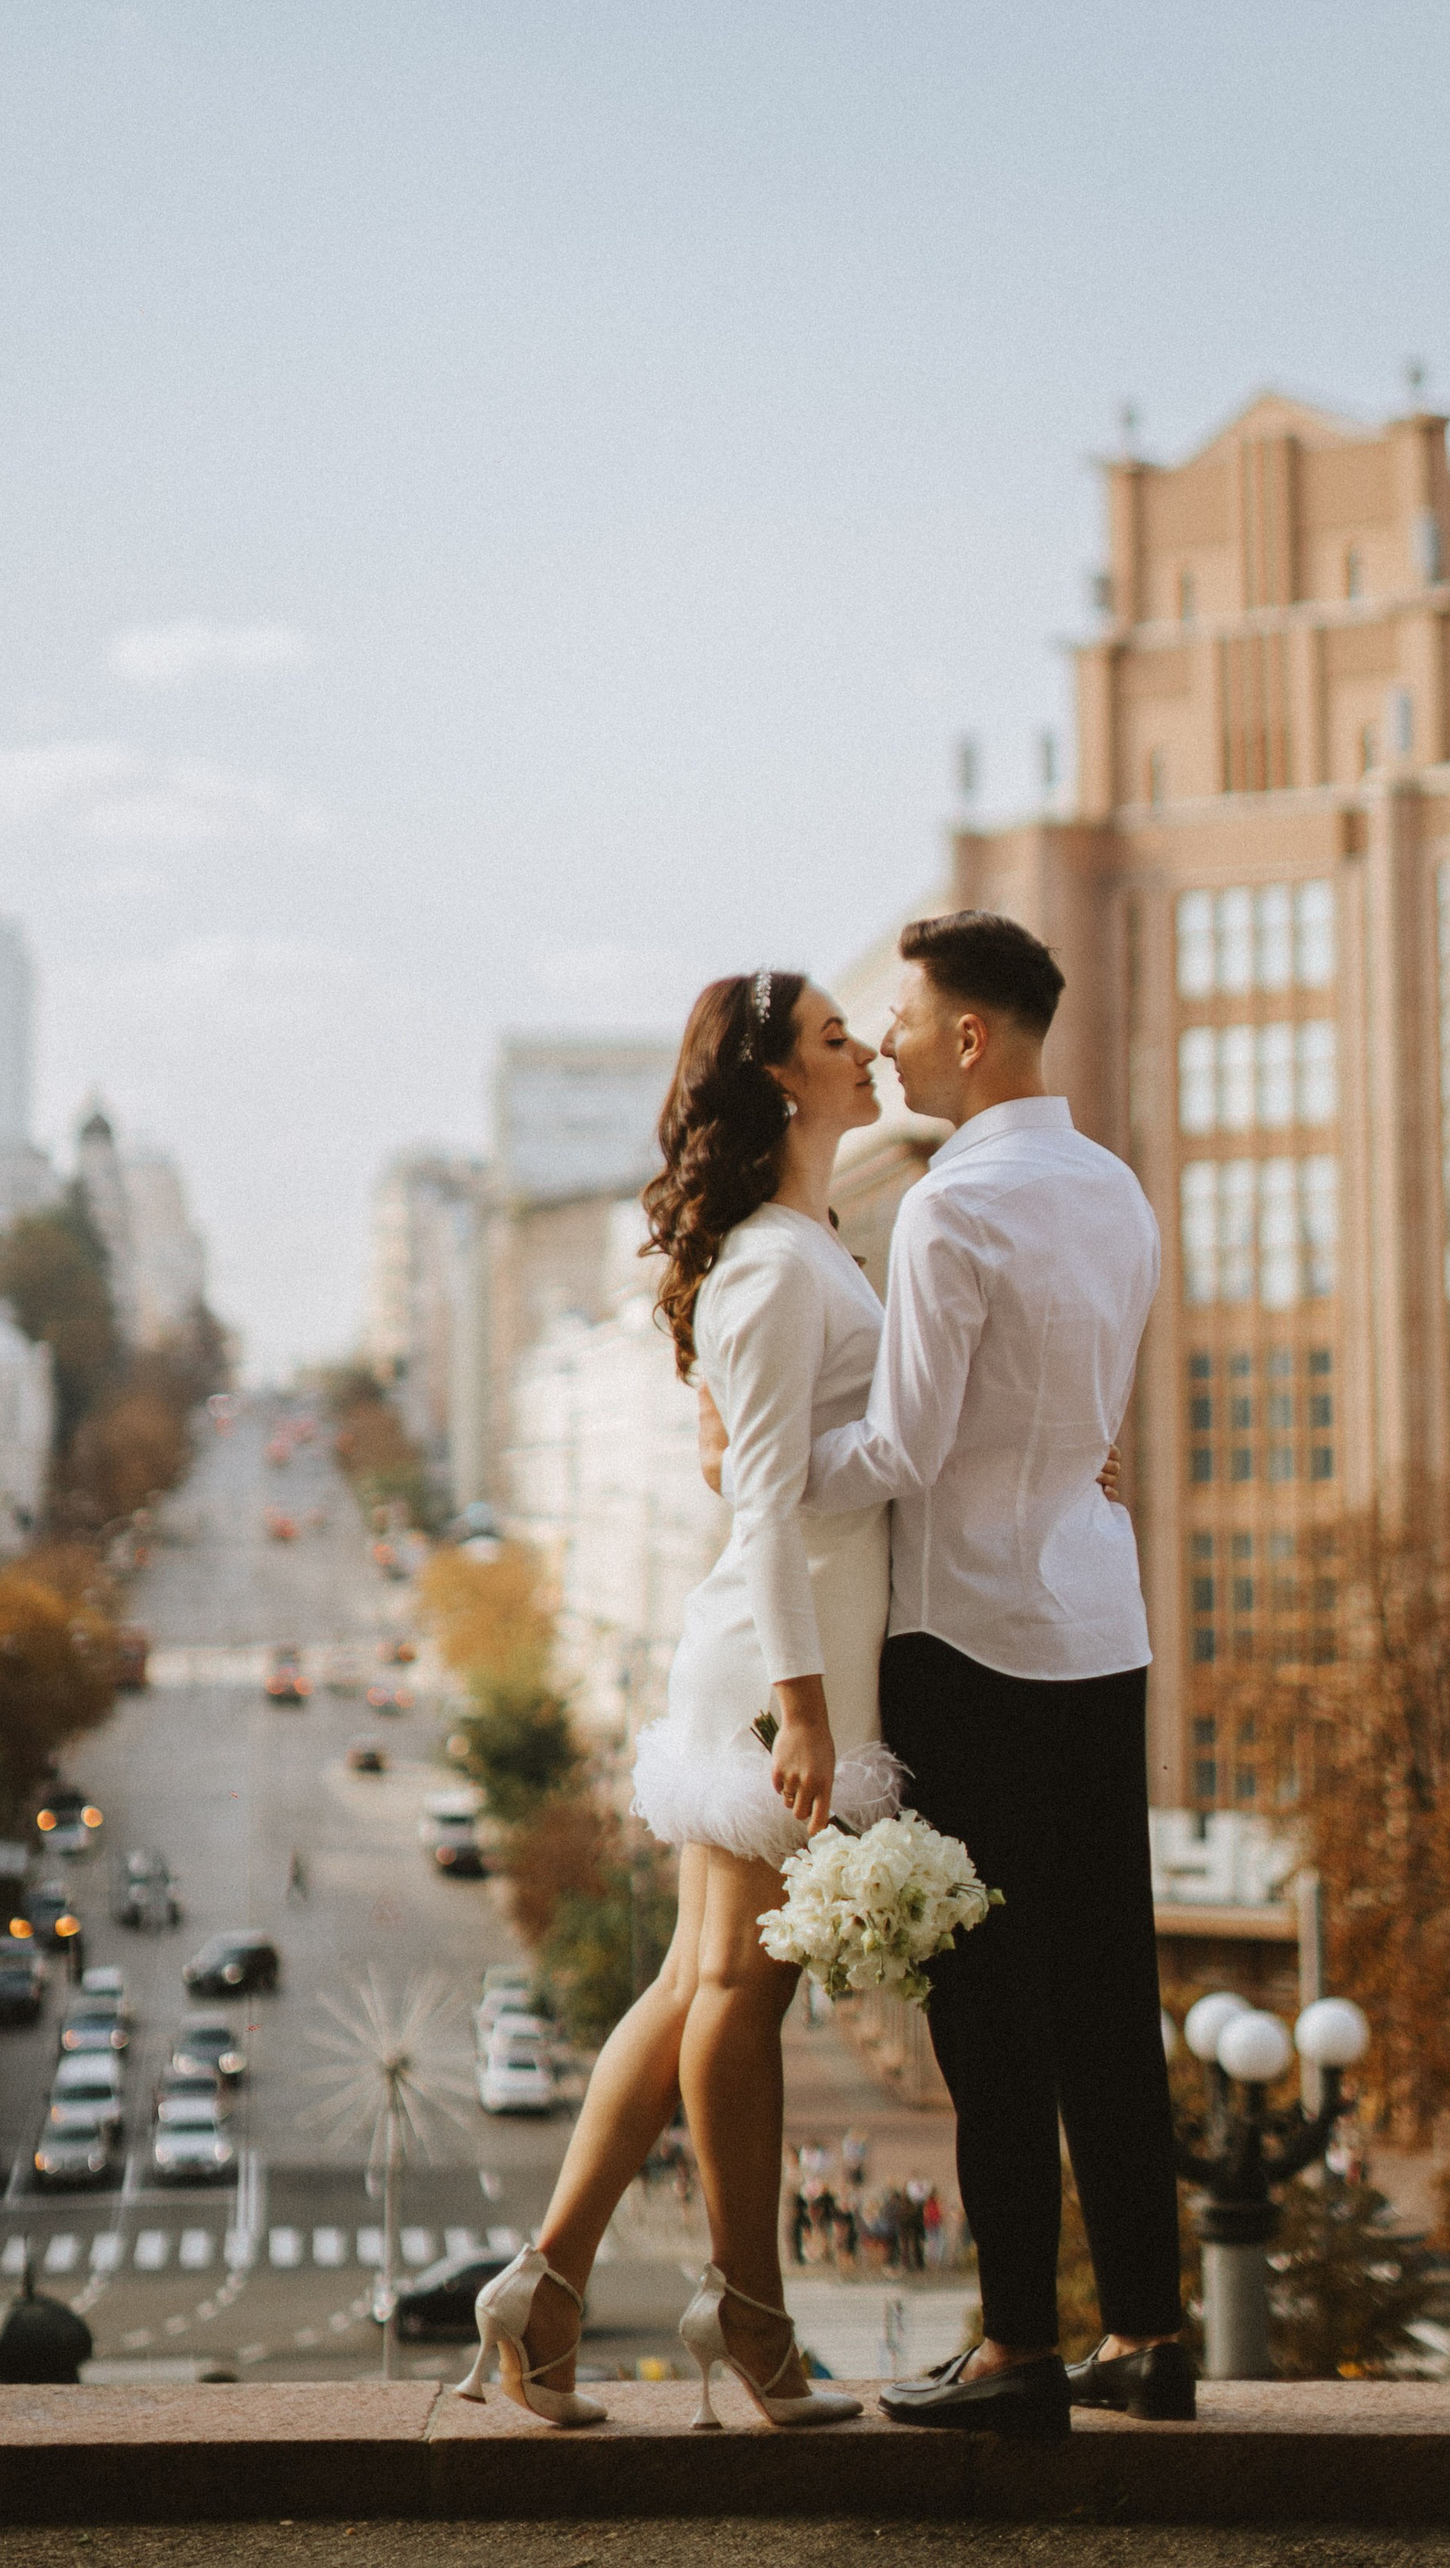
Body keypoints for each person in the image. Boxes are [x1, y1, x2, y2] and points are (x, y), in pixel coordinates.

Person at [735, 909, 1194, 2435]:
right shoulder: (1117, 1190)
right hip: (1097, 1620)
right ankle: (1148, 2327)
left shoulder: (950, 1207)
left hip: (968, 1636)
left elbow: (907, 1450)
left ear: (974, 1037)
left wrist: (782, 1465)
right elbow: (1088, 1421)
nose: (892, 1041)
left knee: (989, 2004)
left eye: (910, 1018)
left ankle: (1016, 2348)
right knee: (1110, 1990)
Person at [459, 971, 888, 2434]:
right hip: (782, 1661)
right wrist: (808, 1711)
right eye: (838, 1039)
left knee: (696, 1982)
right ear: (775, 1082)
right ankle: (752, 2318)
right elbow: (764, 1508)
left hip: (796, 1652)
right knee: (739, 1993)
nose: (869, 1048)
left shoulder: (803, 1240)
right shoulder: (776, 1267)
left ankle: (545, 2290)